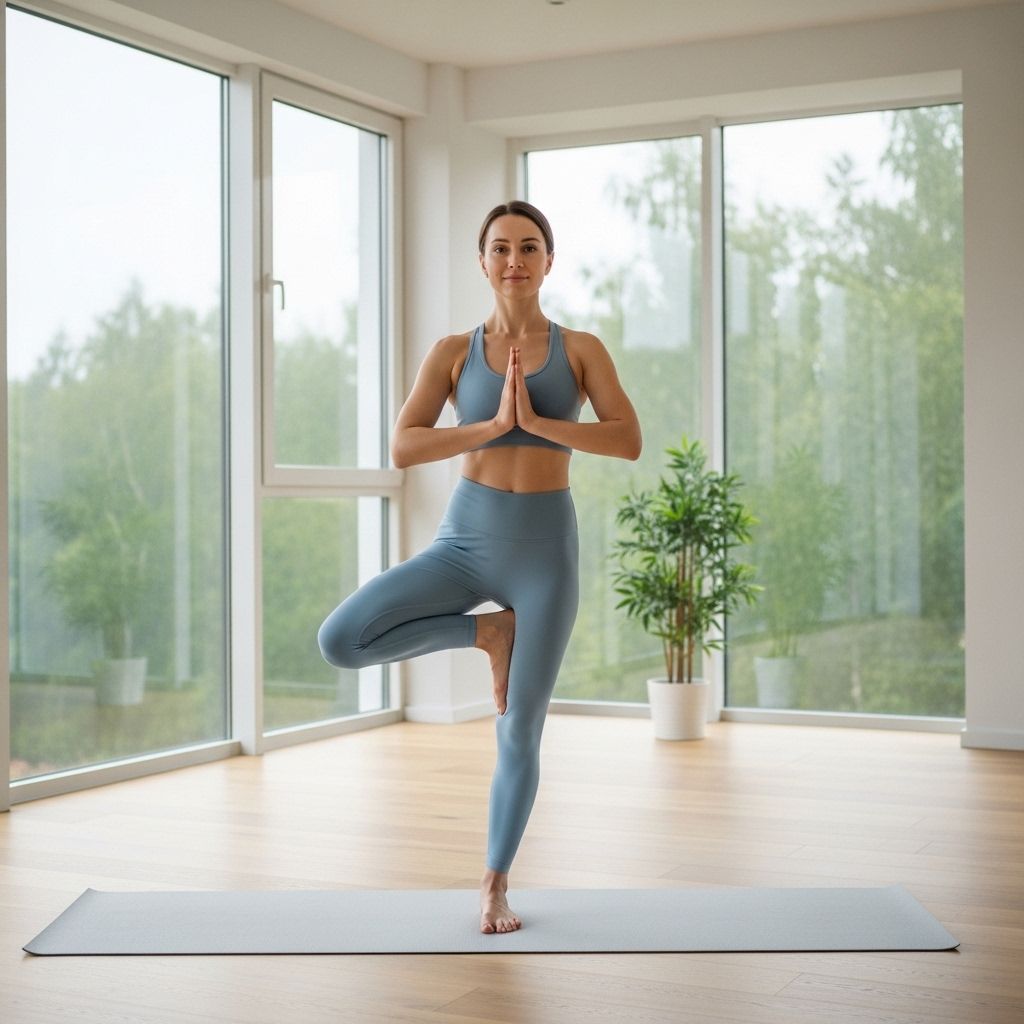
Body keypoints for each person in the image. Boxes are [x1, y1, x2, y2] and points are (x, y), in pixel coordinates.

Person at [317, 200, 642, 935]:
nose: (515, 260)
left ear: (549, 261)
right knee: (342, 639)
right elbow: (404, 446)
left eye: (530, 247)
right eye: (500, 248)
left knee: (519, 729)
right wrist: (491, 426)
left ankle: (494, 886)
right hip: (464, 539)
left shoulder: (581, 348)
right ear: (483, 261)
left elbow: (626, 439)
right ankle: (484, 635)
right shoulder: (453, 352)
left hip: (545, 553)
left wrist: (538, 425)